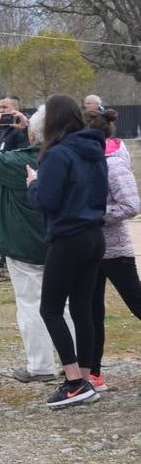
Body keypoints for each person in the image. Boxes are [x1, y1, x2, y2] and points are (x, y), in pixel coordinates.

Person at [25, 94, 108, 408]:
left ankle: (73, 380)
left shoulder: (57, 154)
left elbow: (46, 201)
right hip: (94, 234)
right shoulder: (94, 148)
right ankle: (86, 377)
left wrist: (33, 183)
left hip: (69, 236)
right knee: (82, 309)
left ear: (50, 122)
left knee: (50, 309)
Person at [0, 107, 61, 382]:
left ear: (35, 132)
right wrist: (31, 132)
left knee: (31, 305)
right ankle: (77, 362)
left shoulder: (22, 162)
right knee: (67, 305)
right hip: (62, 243)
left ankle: (41, 365)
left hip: (25, 245)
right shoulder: (68, 156)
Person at [85, 108, 141, 390]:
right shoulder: (85, 161)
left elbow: (132, 205)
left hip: (116, 250)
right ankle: (93, 373)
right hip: (90, 251)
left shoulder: (114, 163)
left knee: (136, 303)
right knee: (92, 313)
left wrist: (95, 215)